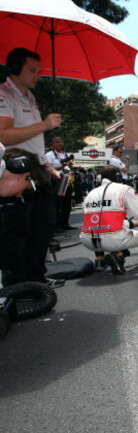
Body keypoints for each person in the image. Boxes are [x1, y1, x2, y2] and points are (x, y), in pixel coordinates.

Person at [0, 47, 63, 289]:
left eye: (40, 70)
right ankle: (17, 284)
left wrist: (48, 166)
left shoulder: (30, 97)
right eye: (32, 70)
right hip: (17, 173)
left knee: (43, 227)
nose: (38, 75)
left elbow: (33, 141)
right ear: (15, 69)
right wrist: (44, 125)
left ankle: (37, 277)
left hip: (38, 171)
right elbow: (3, 135)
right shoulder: (4, 95)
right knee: (19, 230)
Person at [80, 166, 138, 274]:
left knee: (99, 225)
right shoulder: (123, 190)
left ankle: (100, 260)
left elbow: (105, 222)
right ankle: (119, 255)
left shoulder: (91, 193)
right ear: (118, 177)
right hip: (112, 239)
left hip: (88, 240)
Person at [45, 136, 75, 230]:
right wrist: (62, 166)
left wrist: (70, 165)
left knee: (67, 203)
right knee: (57, 203)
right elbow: (49, 169)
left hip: (67, 180)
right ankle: (57, 224)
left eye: (60, 142)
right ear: (53, 144)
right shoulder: (49, 155)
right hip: (57, 179)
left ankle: (65, 223)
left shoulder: (66, 154)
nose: (59, 144)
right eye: (57, 142)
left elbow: (70, 168)